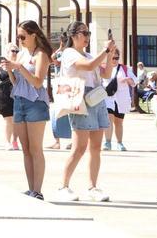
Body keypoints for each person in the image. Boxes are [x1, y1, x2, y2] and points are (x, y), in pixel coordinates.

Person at [54, 21, 115, 203]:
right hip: (80, 98)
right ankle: (63, 186)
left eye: (88, 33)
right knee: (79, 147)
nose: (87, 37)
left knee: (96, 147)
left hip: (96, 97)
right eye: (84, 33)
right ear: (74, 36)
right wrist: (104, 52)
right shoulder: (69, 53)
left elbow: (105, 74)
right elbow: (87, 66)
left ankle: (92, 186)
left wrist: (110, 55)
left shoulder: (88, 54)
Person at [4, 19, 53, 200]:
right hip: (19, 101)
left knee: (35, 148)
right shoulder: (23, 54)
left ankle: (38, 190)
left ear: (34, 35)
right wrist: (10, 68)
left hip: (36, 103)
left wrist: (19, 67)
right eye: (18, 37)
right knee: (25, 148)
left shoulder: (41, 54)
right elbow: (17, 82)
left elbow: (37, 82)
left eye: (23, 36)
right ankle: (31, 188)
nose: (20, 40)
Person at [103, 48, 136, 151]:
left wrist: (128, 79)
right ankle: (107, 142)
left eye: (116, 58)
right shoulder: (103, 67)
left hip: (121, 99)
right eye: (112, 58)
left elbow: (134, 81)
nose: (114, 60)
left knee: (118, 122)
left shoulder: (125, 69)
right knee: (109, 119)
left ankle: (119, 143)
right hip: (108, 98)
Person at [0, 46, 18, 150]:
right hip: (4, 95)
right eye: (13, 51)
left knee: (16, 120)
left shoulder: (20, 65)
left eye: (17, 51)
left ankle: (14, 141)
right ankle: (7, 141)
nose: (15, 53)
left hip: (17, 95)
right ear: (7, 53)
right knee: (8, 119)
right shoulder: (0, 66)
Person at [48, 35, 73, 151]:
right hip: (58, 84)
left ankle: (73, 140)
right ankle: (57, 140)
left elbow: (56, 62)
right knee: (56, 113)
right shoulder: (60, 53)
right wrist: (60, 48)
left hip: (68, 85)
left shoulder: (70, 54)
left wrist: (62, 49)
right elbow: (52, 58)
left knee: (71, 113)